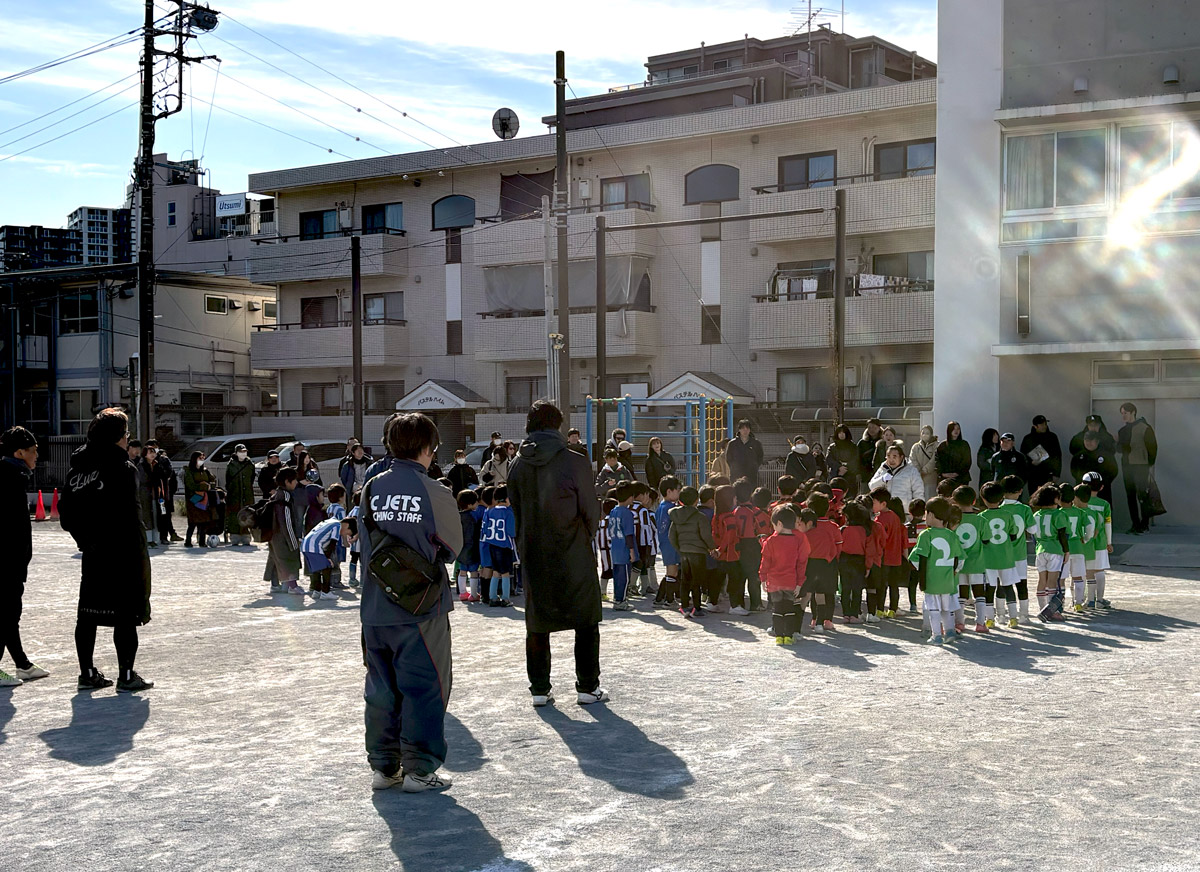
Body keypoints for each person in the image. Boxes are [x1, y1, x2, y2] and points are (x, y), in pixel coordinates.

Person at [359, 412, 462, 793]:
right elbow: (452, 548)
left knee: (381, 688)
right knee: (425, 686)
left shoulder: (370, 487)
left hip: (374, 606)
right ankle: (420, 769)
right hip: (421, 607)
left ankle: (384, 768)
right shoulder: (435, 490)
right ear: (426, 449)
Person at [508, 401, 607, 708]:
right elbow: (591, 509)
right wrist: (582, 535)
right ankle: (587, 687)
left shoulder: (517, 465)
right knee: (586, 618)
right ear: (558, 426)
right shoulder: (575, 460)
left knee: (537, 620)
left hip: (535, 550)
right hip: (572, 548)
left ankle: (539, 688)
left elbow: (516, 509)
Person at [58, 408, 153, 693]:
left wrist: (85, 540)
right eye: (125, 434)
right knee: (126, 615)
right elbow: (129, 516)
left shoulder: (77, 470)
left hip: (93, 553)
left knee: (87, 614)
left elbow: (66, 514)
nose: (127, 440)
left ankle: (87, 673)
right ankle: (126, 675)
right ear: (116, 438)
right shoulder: (123, 469)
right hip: (123, 552)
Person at [0, 427, 48, 687]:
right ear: (19, 453)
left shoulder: (13, 474)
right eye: (33, 450)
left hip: (11, 560)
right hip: (7, 560)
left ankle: (22, 664)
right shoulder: (11, 476)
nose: (37, 455)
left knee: (9, 613)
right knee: (6, 612)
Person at [909, 496, 965, 645]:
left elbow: (916, 558)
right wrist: (954, 571)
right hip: (947, 581)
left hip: (931, 580)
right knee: (946, 608)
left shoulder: (925, 535)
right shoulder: (952, 535)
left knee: (933, 609)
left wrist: (922, 572)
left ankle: (936, 635)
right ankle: (950, 631)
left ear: (931, 515)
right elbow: (961, 558)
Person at [759, 504, 811, 645]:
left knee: (777, 609)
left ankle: (778, 636)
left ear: (779, 524)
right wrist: (800, 583)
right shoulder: (797, 541)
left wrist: (763, 578)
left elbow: (765, 562)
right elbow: (801, 563)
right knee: (789, 609)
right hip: (790, 582)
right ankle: (788, 636)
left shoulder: (770, 541)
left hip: (774, 582)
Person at [668, 485, 715, 618]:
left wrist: (680, 548)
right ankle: (697, 607)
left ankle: (684, 607)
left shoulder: (675, 516)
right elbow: (706, 535)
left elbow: (671, 536)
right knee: (697, 580)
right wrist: (712, 548)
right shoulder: (700, 517)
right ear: (696, 501)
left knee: (685, 579)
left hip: (684, 552)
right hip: (698, 552)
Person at [979, 481, 1019, 629]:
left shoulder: (981, 517)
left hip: (988, 560)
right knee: (1008, 587)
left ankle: (990, 619)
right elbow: (1014, 535)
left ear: (983, 498)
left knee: (989, 589)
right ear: (1002, 497)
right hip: (1006, 558)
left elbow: (983, 539)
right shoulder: (1008, 515)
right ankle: (1013, 618)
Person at [801, 492, 841, 632]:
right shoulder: (833, 526)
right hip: (828, 564)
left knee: (811, 592)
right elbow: (839, 545)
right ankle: (826, 620)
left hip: (810, 563)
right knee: (827, 593)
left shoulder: (807, 527)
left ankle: (814, 618)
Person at [1117, 402, 1159, 534]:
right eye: (1122, 413)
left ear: (1133, 412)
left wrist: (1149, 463)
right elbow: (1119, 448)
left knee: (1142, 494)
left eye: (1126, 413)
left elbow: (1153, 447)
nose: (1124, 416)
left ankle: (1144, 523)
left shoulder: (1144, 428)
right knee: (1130, 495)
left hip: (1140, 465)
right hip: (1127, 465)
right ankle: (1135, 523)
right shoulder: (1123, 430)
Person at [951, 486, 988, 633]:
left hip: (959, 564)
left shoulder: (954, 519)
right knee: (979, 594)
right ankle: (980, 623)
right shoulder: (981, 520)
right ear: (974, 500)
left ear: (954, 501)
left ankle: (959, 622)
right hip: (977, 563)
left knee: (961, 594)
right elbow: (986, 539)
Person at [1031, 484, 1069, 621]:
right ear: (1055, 499)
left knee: (1042, 580)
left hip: (1040, 550)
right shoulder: (1059, 514)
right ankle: (1051, 611)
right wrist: (1066, 551)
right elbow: (1062, 534)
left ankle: (1041, 607)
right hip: (1055, 550)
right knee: (1053, 581)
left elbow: (1033, 535)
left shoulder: (1036, 515)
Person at [265, 467, 305, 596]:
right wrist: (292, 539)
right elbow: (286, 520)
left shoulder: (276, 494)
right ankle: (292, 586)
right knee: (290, 557)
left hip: (273, 534)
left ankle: (276, 585)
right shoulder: (286, 497)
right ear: (288, 482)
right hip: (283, 535)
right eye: (294, 480)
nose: (296, 483)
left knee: (275, 558)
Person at [480, 485, 516, 608]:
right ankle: (505, 598)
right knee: (505, 573)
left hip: (492, 545)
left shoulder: (490, 511)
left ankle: (493, 597)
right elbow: (512, 531)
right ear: (507, 499)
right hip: (504, 545)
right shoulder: (508, 512)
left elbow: (485, 529)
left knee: (495, 572)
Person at [1084, 472, 1114, 609]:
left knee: (1087, 570)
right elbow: (1108, 524)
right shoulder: (1104, 504)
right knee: (1099, 570)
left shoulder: (1079, 503)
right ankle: (1099, 600)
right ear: (1101, 487)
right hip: (1100, 541)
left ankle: (1087, 599)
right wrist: (1109, 542)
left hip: (1084, 542)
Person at [868, 443, 924, 517]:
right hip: (885, 512)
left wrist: (918, 511)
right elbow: (871, 486)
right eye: (888, 456)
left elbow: (918, 492)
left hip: (905, 512)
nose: (891, 460)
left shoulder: (911, 470)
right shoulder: (883, 469)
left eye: (894, 457)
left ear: (901, 457)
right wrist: (882, 479)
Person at [653, 476, 682, 609]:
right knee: (672, 571)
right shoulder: (670, 508)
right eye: (677, 490)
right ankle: (669, 600)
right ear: (669, 491)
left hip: (665, 542)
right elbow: (665, 525)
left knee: (670, 571)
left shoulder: (661, 506)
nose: (679, 492)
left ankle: (659, 597)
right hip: (670, 543)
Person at [144, 439, 182, 542]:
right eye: (149, 449)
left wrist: (157, 466)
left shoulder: (163, 460)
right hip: (148, 494)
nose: (152, 451)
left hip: (162, 494)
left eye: (154, 448)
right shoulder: (143, 461)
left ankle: (164, 536)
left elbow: (168, 474)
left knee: (164, 514)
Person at [1070, 432, 1118, 505]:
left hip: (1102, 492)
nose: (1088, 443)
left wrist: (1101, 483)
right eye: (1086, 440)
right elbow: (1074, 471)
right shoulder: (1079, 456)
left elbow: (1113, 470)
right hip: (1083, 492)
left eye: (1091, 440)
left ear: (1097, 441)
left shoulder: (1106, 455)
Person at [1019, 415, 1063, 492]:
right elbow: (1023, 456)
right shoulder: (1028, 439)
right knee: (1034, 497)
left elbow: (1057, 456)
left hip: (1048, 474)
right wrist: (1031, 462)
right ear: (1035, 426)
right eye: (1041, 424)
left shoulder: (1052, 437)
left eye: (1045, 424)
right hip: (1033, 474)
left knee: (1048, 496)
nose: (1044, 426)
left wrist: (1056, 474)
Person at [225, 443, 257, 546]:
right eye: (241, 451)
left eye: (245, 451)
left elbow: (251, 478)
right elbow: (228, 479)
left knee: (247, 513)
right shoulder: (231, 465)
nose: (243, 453)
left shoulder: (250, 464)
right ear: (236, 453)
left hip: (247, 494)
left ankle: (246, 534)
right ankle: (234, 534)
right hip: (234, 494)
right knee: (234, 513)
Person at [183, 450, 217, 548]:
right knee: (192, 522)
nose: (202, 460)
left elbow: (212, 481)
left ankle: (202, 541)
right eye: (200, 458)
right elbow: (191, 486)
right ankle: (188, 541)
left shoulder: (205, 471)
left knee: (203, 522)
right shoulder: (188, 471)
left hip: (204, 499)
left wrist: (208, 485)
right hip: (193, 499)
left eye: (203, 458)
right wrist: (204, 486)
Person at [724, 419, 764, 486]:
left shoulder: (756, 443)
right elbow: (728, 458)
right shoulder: (732, 444)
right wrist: (734, 468)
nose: (745, 430)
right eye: (742, 428)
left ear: (750, 430)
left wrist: (754, 466)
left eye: (747, 428)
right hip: (736, 476)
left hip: (752, 475)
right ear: (739, 430)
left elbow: (760, 457)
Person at [935, 421, 972, 491]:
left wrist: (957, 473)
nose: (956, 431)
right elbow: (937, 461)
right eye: (953, 429)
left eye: (958, 429)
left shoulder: (964, 445)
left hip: (961, 478)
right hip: (944, 479)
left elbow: (967, 461)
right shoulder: (942, 445)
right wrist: (943, 473)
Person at [909, 425, 940, 499]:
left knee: (930, 497)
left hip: (931, 478)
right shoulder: (915, 447)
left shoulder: (936, 445)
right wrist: (918, 471)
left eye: (927, 433)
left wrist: (925, 470)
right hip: (918, 477)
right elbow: (912, 459)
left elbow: (934, 460)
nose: (924, 435)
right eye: (923, 432)